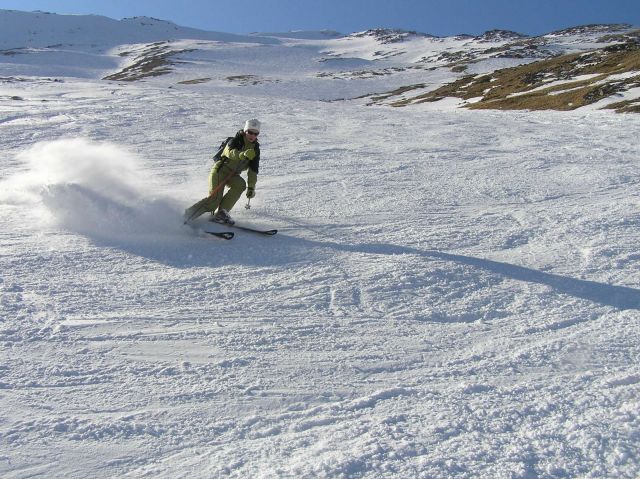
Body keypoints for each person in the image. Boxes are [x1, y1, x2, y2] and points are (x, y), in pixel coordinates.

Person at [184, 119, 261, 225]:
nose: (252, 135)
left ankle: (221, 213)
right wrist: (242, 154)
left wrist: (251, 187)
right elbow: (229, 152)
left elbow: (253, 170)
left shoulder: (255, 149)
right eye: (250, 132)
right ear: (245, 131)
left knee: (240, 185)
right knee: (213, 201)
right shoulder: (235, 140)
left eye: (255, 133)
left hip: (233, 175)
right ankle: (187, 215)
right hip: (220, 170)